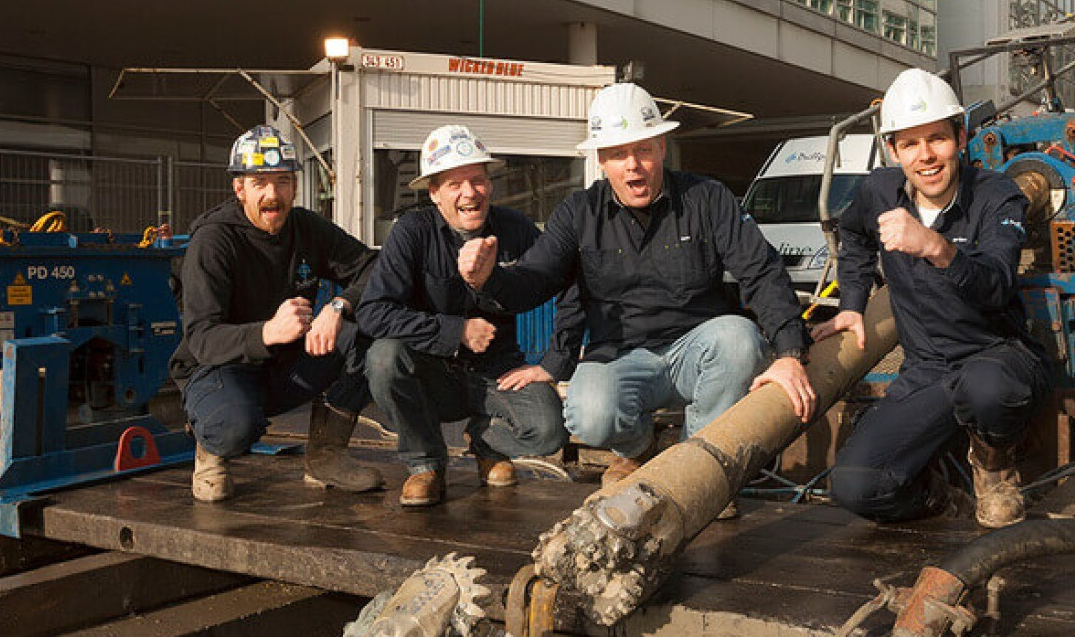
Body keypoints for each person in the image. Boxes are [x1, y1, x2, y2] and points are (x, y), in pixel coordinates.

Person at [458, 82, 815, 510]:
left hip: (697, 351)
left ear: (662, 147)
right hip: (618, 355)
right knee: (589, 416)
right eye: (617, 154)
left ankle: (697, 470)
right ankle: (638, 450)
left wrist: (791, 352)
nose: (633, 167)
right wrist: (487, 280)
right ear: (601, 160)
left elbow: (761, 270)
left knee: (740, 339)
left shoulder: (707, 198)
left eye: (643, 150)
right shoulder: (578, 213)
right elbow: (536, 277)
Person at [813, 68, 1050, 528]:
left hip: (997, 355)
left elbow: (998, 284)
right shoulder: (878, 191)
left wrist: (937, 249)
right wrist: (853, 303)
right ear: (893, 150)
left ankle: (994, 466)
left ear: (960, 137)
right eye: (911, 144)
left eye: (937, 139)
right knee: (855, 485)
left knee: (988, 389)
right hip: (927, 369)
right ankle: (940, 499)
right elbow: (854, 235)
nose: (926, 156)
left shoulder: (997, 196)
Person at [358, 125, 576, 507]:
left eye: (477, 180)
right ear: (434, 194)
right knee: (383, 358)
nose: (469, 193)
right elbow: (374, 312)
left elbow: (568, 282)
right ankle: (425, 463)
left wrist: (554, 361)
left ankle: (486, 443)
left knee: (549, 432)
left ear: (490, 185)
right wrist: (454, 330)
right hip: (432, 374)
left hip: (498, 372)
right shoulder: (412, 232)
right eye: (454, 184)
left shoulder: (516, 229)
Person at [169, 124, 385, 502]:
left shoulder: (305, 228)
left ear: (295, 186)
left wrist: (338, 306)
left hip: (284, 366)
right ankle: (211, 449)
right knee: (234, 426)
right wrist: (267, 332)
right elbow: (201, 338)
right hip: (220, 368)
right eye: (260, 183)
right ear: (239, 189)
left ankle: (325, 457)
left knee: (369, 339)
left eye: (283, 181)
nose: (273, 195)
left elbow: (374, 267)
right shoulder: (213, 242)